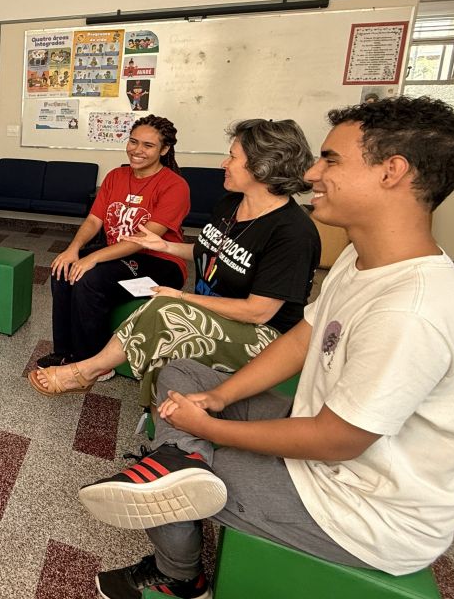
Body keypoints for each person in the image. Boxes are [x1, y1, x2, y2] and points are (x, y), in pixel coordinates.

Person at [75, 97, 454, 599]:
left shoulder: (413, 311)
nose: (313, 172)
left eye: (332, 160)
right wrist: (216, 397)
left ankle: (178, 575)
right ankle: (182, 461)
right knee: (183, 376)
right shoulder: (365, 261)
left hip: (364, 507)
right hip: (332, 441)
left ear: (392, 172)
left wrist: (211, 428)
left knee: (171, 475)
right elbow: (302, 339)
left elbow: (336, 440)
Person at [32, 119, 321, 409]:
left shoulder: (292, 233)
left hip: (262, 334)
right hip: (212, 306)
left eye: (233, 157)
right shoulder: (231, 204)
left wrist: (182, 297)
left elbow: (258, 312)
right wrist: (166, 245)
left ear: (264, 165)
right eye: (134, 141)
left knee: (159, 307)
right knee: (79, 275)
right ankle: (77, 358)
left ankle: (88, 369)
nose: (224, 163)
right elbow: (213, 249)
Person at [40, 116, 190, 369]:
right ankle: (64, 351)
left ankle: (92, 362)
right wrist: (73, 250)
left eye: (148, 145)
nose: (137, 150)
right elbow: (93, 221)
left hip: (161, 264)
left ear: (164, 150)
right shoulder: (116, 176)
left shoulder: (175, 185)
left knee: (90, 279)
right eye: (133, 141)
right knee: (63, 269)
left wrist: (93, 257)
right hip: (118, 255)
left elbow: (144, 241)